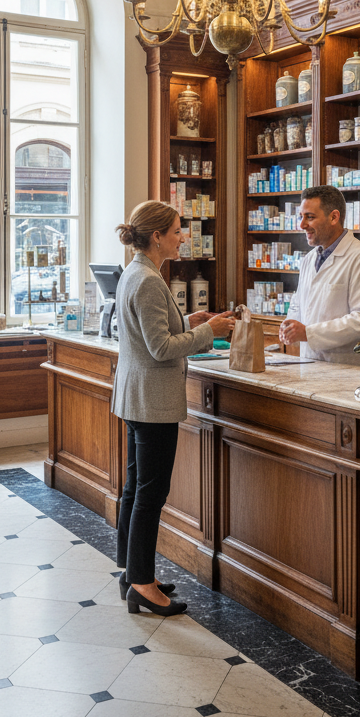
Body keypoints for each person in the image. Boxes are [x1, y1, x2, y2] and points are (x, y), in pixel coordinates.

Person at [111, 200, 234, 616]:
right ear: (157, 236)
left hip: (136, 396)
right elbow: (160, 348)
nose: (185, 237)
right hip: (153, 402)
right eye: (179, 231)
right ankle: (143, 585)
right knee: (150, 493)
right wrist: (208, 332)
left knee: (134, 488)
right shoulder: (147, 279)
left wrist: (190, 321)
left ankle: (131, 571)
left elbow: (153, 330)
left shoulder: (138, 273)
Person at [278, 185, 360, 366]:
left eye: (310, 217)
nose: (302, 225)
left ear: (334, 217)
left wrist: (309, 333)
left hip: (347, 369)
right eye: (301, 217)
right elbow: (298, 303)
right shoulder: (309, 259)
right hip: (308, 364)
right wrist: (290, 326)